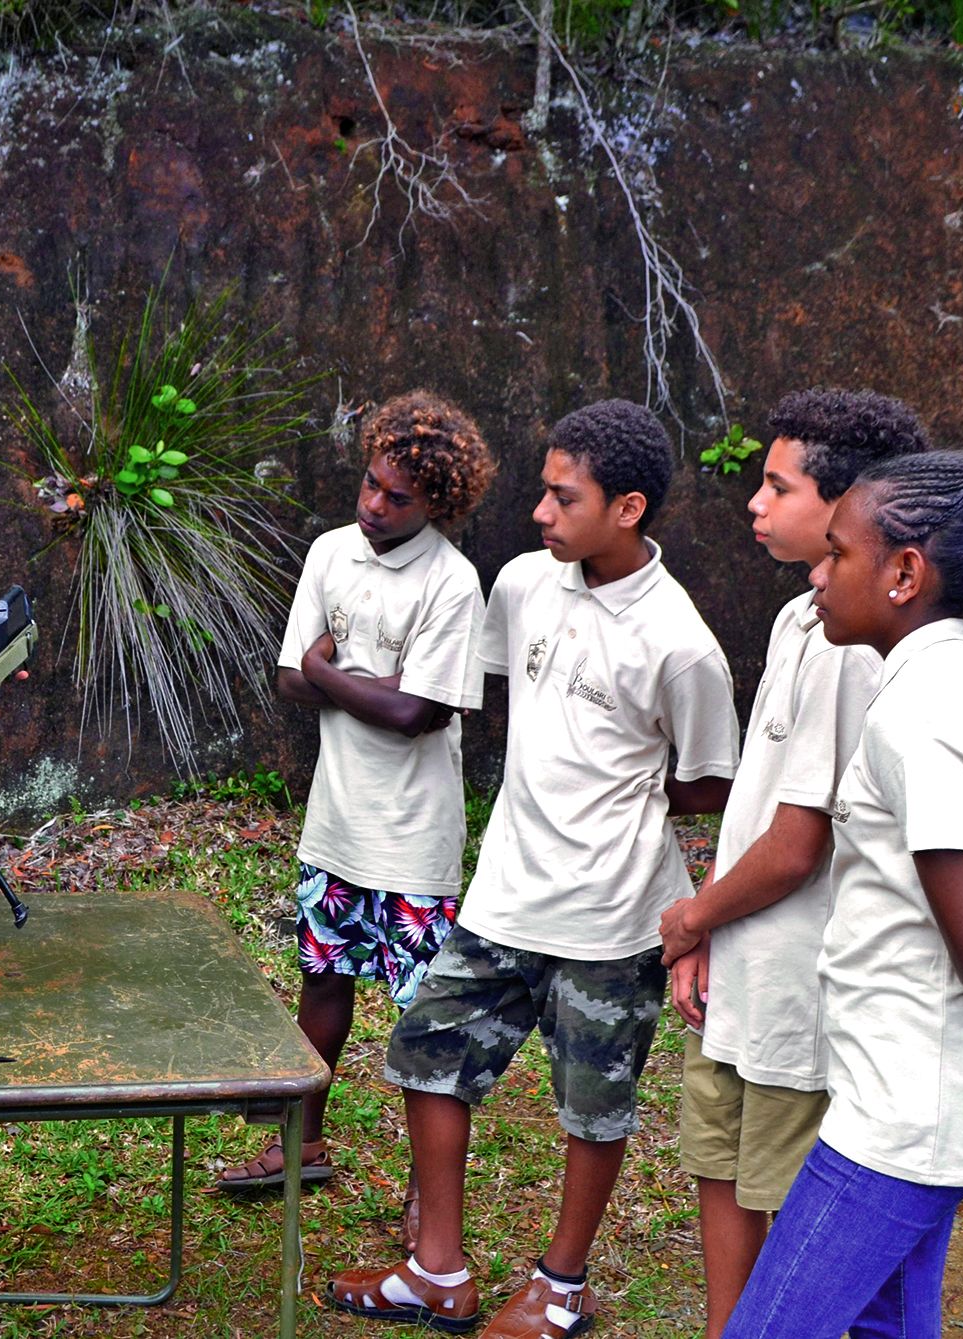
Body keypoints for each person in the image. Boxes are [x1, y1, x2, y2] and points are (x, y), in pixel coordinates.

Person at [329, 400, 741, 1336]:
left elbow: (708, 779)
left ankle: (560, 1284)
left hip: (611, 919)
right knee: (427, 1057)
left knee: (592, 1110)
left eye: (564, 498)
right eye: (544, 493)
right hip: (502, 895)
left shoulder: (681, 644)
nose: (540, 514)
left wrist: (616, 807)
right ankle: (437, 1269)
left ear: (627, 507)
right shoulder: (521, 584)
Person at [722, 450, 963, 1338]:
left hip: (906, 1109)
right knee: (886, 1325)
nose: (817, 576)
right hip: (931, 1093)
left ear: (903, 574)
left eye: (837, 555)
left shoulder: (913, 718)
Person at [655, 389, 930, 1337]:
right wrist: (706, 937)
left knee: (788, 1204)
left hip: (800, 987)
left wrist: (691, 919)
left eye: (778, 486)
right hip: (744, 969)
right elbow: (756, 812)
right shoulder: (797, 621)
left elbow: (796, 843)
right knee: (722, 1165)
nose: (754, 503)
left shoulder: (856, 649)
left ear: (847, 504)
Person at [219, 390, 497, 1192]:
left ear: (439, 502)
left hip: (413, 839)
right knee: (322, 984)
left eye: (396, 496)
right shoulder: (331, 552)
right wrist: (348, 681)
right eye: (370, 484)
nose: (373, 504)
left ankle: (427, 1189)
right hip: (335, 823)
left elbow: (418, 712)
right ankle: (299, 1147)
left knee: (424, 1018)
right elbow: (288, 678)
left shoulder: (451, 583)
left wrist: (325, 667)